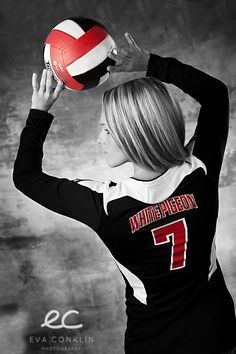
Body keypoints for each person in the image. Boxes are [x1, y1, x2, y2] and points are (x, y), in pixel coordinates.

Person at [13, 32, 236, 353]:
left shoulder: (106, 205)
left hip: (155, 345)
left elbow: (26, 177)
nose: (99, 139)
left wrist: (40, 111)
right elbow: (215, 94)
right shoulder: (199, 170)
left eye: (106, 129)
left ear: (133, 137)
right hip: (219, 335)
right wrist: (150, 65)